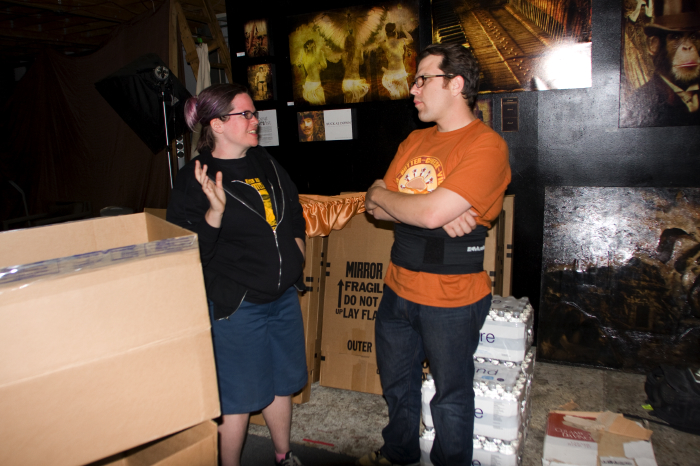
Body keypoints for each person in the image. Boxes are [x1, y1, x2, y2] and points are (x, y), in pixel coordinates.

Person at [358, 43, 511, 466]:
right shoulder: (414, 140)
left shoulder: (487, 147)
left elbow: (423, 212)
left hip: (452, 299)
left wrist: (396, 199)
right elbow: (374, 207)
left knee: (451, 397)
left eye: (423, 79)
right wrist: (400, 201)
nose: (413, 89)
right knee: (397, 386)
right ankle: (398, 453)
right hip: (397, 289)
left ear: (456, 84)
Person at [166, 83, 308, 466]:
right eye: (245, 114)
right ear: (216, 124)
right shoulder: (194, 178)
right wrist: (214, 214)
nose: (255, 120)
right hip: (238, 306)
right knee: (238, 398)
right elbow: (188, 255)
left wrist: (298, 249)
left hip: (282, 298)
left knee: (281, 384)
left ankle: (283, 455)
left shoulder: (264, 161)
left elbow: (292, 208)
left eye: (253, 112)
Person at [621, 0, 700, 127]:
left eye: (694, 37)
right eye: (676, 37)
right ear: (654, 45)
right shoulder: (643, 98)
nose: (688, 47)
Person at [380, 23, 412, 100]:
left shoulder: (384, 44)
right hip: (400, 73)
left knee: (395, 98)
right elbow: (411, 39)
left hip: (390, 74)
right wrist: (404, 29)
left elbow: (379, 41)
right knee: (404, 97)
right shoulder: (401, 41)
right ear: (395, 32)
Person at [300, 39, 328, 105]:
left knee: (313, 105)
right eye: (314, 46)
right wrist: (320, 65)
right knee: (320, 104)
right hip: (315, 83)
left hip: (308, 83)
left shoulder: (304, 57)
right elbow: (324, 65)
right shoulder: (318, 54)